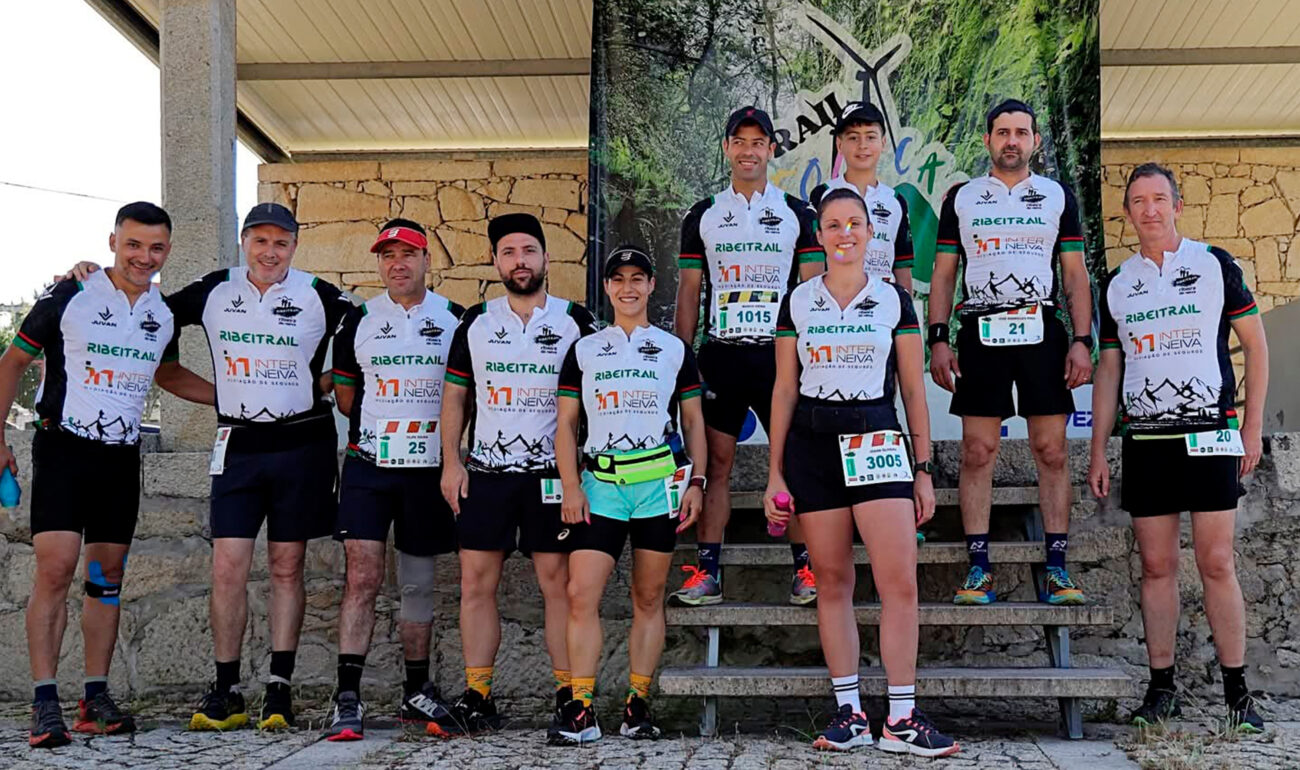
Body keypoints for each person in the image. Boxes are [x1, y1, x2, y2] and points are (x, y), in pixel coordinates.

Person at [0, 203, 214, 748]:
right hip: (63, 449)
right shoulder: (70, 294)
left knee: (107, 576)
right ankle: (44, 701)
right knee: (55, 570)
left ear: (168, 251)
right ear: (114, 241)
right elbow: (12, 362)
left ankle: (94, 697)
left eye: (156, 248)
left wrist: (232, 397)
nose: (144, 257)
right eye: (134, 244)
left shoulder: (162, 313)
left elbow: (168, 375)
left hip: (119, 457)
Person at [763, 189, 958, 757]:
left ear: (871, 232)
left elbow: (914, 390)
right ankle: (849, 712)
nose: (844, 232)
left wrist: (923, 469)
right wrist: (775, 472)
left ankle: (901, 717)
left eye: (855, 223)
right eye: (833, 224)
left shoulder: (894, 299)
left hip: (877, 437)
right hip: (812, 446)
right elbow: (784, 389)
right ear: (819, 235)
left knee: (900, 583)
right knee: (832, 582)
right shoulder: (797, 301)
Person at [1089, 163, 1267, 733]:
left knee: (1216, 561)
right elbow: (1109, 370)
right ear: (1127, 213)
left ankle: (1238, 696)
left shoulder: (1215, 263)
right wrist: (1099, 449)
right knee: (1157, 566)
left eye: (1159, 199)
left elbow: (1256, 346)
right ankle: (1162, 689)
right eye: (1139, 201)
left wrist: (1252, 428)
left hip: (1211, 435)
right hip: (1147, 442)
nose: (1150, 209)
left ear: (1177, 205)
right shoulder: (1118, 283)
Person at [165, 203, 353, 731]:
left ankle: (279, 688)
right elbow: (147, 321)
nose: (270, 252)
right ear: (244, 242)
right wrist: (218, 393)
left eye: (281, 243)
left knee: (287, 566)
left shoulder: (321, 295)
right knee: (227, 567)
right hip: (238, 445)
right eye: (261, 241)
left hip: (302, 445)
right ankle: (226, 689)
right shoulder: (213, 289)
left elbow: (369, 339)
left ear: (295, 246)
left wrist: (325, 383)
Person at [433, 213, 597, 736]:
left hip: (553, 476)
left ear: (547, 257)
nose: (519, 261)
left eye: (528, 250)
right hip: (487, 473)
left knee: (558, 586)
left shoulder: (576, 320)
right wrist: (452, 461)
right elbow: (455, 396)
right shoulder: (476, 322)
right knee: (475, 583)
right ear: (495, 261)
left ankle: (567, 696)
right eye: (508, 252)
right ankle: (478, 696)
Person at [927, 99, 1093, 606]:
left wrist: (1082, 341)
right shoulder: (962, 198)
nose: (1012, 141)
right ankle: (979, 568)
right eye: (1003, 132)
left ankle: (1058, 569)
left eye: (1022, 132)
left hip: (1042, 330)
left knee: (1052, 449)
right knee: (978, 450)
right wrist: (938, 337)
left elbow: (1074, 273)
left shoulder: (1057, 195)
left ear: (1036, 141)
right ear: (988, 141)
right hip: (982, 331)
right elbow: (944, 273)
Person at [550, 246, 707, 745]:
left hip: (658, 488)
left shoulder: (675, 348)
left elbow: (693, 421)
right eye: (618, 279)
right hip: (600, 486)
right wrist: (570, 485)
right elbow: (566, 424)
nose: (628, 287)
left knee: (648, 596)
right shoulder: (584, 349)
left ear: (652, 285)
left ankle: (637, 706)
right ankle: (580, 707)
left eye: (638, 278)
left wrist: (697, 482)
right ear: (606, 287)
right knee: (581, 594)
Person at [672, 106, 826, 608]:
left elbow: (811, 292)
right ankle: (708, 572)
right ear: (726, 148)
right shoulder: (703, 214)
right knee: (715, 464)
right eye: (739, 141)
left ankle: (806, 568)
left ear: (771, 150)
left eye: (758, 142)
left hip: (780, 358)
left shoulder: (798, 213)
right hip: (722, 356)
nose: (748, 151)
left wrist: (812, 359)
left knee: (791, 462)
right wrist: (681, 361)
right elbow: (689, 291)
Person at [322, 220, 465, 740]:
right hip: (369, 465)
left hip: (429, 469)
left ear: (428, 260)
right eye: (388, 255)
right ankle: (347, 697)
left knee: (417, 582)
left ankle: (416, 690)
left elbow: (466, 395)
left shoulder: (455, 319)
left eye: (408, 253)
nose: (397, 263)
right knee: (362, 576)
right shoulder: (357, 320)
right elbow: (345, 397)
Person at [809, 102, 914, 291]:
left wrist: (906, 306)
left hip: (883, 301)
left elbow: (902, 267)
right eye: (853, 138)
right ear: (839, 144)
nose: (862, 145)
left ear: (883, 143)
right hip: (835, 300)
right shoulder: (822, 194)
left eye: (870, 137)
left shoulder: (895, 201)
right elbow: (814, 262)